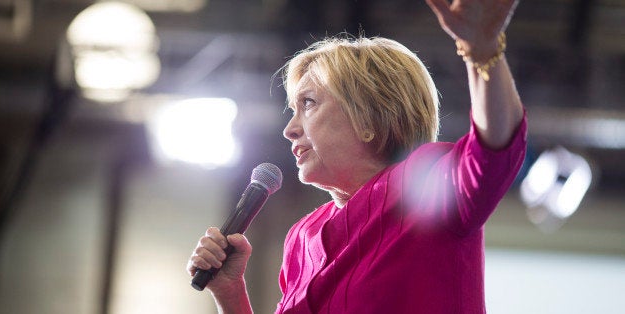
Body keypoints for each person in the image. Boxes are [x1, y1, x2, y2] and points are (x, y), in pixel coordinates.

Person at [187, 0, 527, 313]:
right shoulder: (301, 238)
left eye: (308, 103)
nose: (289, 129)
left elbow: (494, 151)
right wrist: (230, 292)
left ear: (367, 118)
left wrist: (482, 53)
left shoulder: (427, 184)